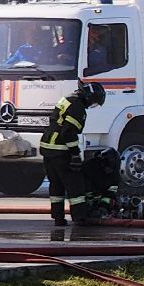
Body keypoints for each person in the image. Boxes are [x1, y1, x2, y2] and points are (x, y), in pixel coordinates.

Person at [38, 81, 105, 226]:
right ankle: (80, 217)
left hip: (48, 146)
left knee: (56, 185)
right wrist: (75, 154)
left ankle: (58, 218)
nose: (91, 105)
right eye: (93, 102)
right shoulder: (78, 108)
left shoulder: (67, 99)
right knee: (75, 185)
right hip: (60, 150)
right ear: (88, 97)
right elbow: (68, 132)